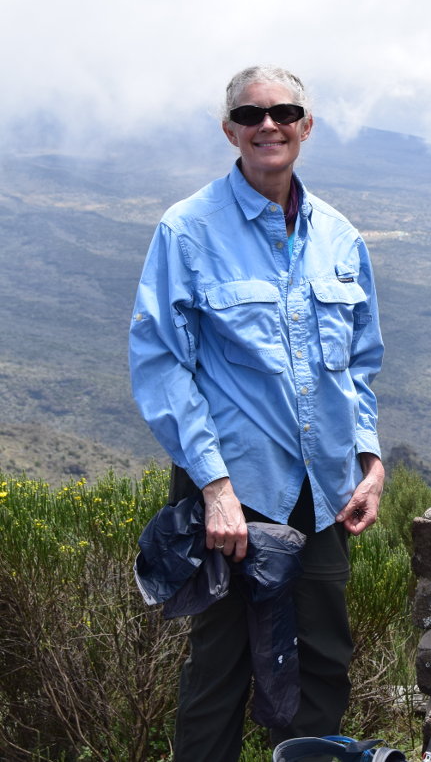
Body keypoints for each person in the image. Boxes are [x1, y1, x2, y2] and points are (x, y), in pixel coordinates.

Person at [129, 65, 385, 762]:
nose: (267, 124)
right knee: (220, 672)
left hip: (325, 494)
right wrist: (213, 488)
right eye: (250, 114)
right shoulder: (187, 231)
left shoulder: (340, 237)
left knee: (322, 666)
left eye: (284, 111)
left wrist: (371, 458)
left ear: (306, 124)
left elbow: (360, 365)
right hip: (233, 497)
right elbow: (160, 365)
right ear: (229, 130)